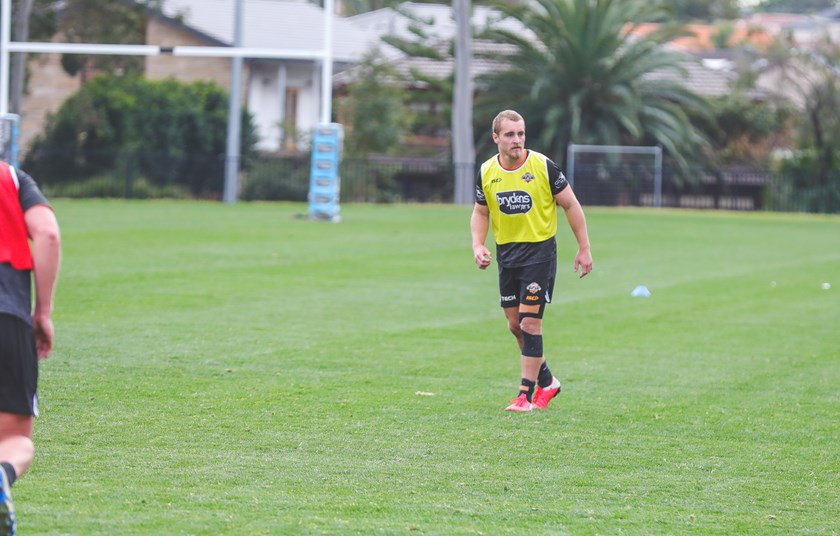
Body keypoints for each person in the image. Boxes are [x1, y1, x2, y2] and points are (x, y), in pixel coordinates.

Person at [470, 110, 592, 412]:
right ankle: (549, 381)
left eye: (521, 133)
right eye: (510, 134)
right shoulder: (487, 171)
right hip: (507, 254)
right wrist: (477, 244)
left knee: (530, 322)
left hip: (539, 253)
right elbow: (481, 211)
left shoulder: (542, 166)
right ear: (496, 137)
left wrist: (584, 248)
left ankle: (525, 395)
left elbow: (571, 205)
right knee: (515, 325)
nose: (517, 140)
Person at [0, 161, 61, 535]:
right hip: (7, 315)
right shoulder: (10, 177)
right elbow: (48, 234)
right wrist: (43, 312)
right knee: (14, 439)